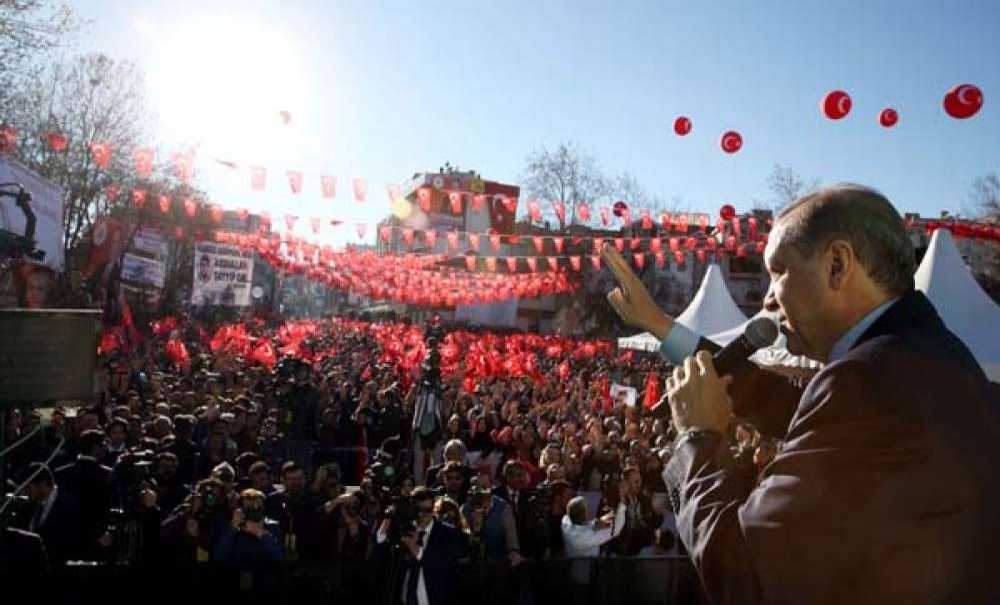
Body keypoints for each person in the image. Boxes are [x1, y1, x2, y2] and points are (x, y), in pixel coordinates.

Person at [604, 184, 1000, 603]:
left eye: (779, 271)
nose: (767, 300)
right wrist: (661, 325)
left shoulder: (866, 380)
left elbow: (742, 572)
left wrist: (696, 439)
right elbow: (784, 402)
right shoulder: (924, 357)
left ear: (837, 265)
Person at [376, 487, 464, 605]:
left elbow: (444, 566)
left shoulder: (448, 533)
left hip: (433, 599)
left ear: (433, 509)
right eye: (418, 510)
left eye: (427, 510)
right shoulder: (403, 529)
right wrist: (388, 517)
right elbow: (380, 544)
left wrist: (415, 548)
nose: (422, 514)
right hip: (403, 599)